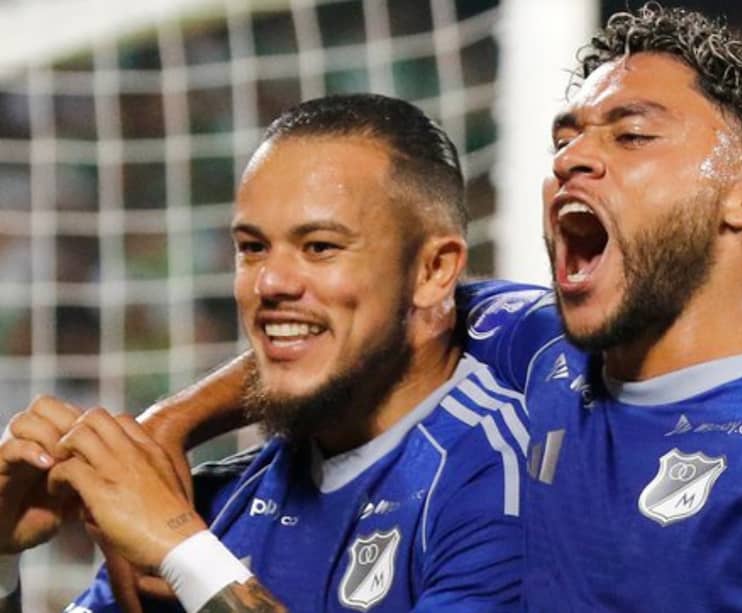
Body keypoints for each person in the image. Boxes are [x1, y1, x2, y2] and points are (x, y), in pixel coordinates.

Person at [113, 4, 742, 612]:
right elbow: (359, 319)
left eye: (631, 135)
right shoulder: (539, 343)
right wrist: (171, 423)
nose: (573, 159)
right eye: (566, 139)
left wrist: (188, 552)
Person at [0, 94, 526, 612]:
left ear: (433, 270)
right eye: (252, 248)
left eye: (320, 247)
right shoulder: (219, 499)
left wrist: (183, 552)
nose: (270, 282)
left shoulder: (511, 480)